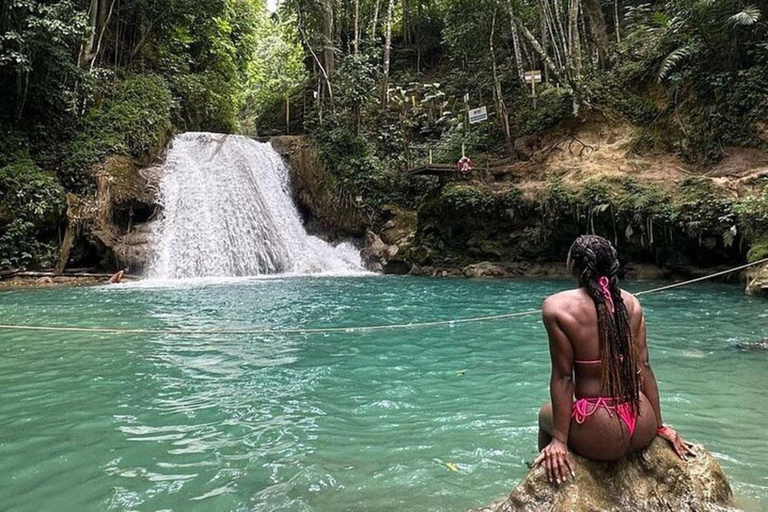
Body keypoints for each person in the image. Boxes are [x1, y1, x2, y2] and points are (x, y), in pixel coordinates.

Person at [534, 235, 696, 484]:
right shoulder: (631, 304)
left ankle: (550, 476)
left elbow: (563, 377)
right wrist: (660, 426)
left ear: (574, 266)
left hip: (601, 433)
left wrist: (559, 439)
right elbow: (644, 367)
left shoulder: (557, 307)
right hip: (642, 423)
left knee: (545, 414)